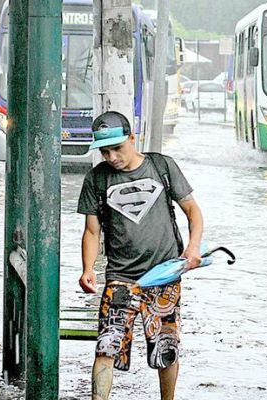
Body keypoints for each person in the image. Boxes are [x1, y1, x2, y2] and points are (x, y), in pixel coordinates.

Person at [77, 111, 204, 400]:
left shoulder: (162, 167)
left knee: (165, 348)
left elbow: (193, 211)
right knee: (106, 345)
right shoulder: (96, 180)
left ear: (133, 139)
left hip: (164, 275)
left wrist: (193, 249)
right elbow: (92, 232)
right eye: (105, 151)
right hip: (120, 278)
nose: (112, 157)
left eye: (117, 149)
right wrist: (88, 269)